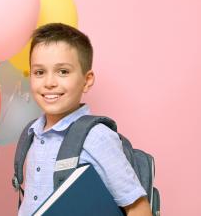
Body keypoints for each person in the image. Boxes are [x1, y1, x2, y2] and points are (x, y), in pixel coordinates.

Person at [17, 23, 152, 216]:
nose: (49, 82)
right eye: (39, 72)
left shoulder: (96, 137)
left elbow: (139, 209)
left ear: (87, 80)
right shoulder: (31, 134)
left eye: (63, 71)